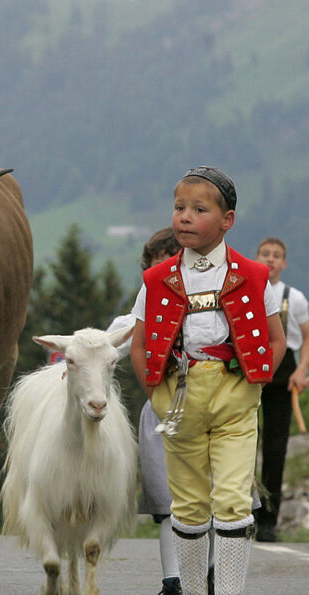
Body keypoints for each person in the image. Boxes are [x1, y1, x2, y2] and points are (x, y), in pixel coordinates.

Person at [129, 166, 286, 595]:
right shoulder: (156, 281)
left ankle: (229, 591)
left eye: (199, 209)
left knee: (233, 500)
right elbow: (140, 345)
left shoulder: (253, 277)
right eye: (179, 207)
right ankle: (196, 590)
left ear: (227, 220)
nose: (184, 217)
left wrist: (252, 384)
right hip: (178, 399)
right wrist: (156, 395)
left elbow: (276, 339)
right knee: (189, 505)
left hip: (235, 396)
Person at [109, 227, 182, 594]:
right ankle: (173, 581)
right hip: (160, 414)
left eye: (173, 262)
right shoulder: (133, 322)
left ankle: (213, 574)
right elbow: (105, 349)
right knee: (168, 503)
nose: (166, 272)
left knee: (217, 500)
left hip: (213, 409)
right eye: (157, 265)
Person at [253, 237, 309, 542]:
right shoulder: (247, 290)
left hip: (283, 375)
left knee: (275, 450)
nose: (271, 259)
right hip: (251, 373)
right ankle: (243, 514)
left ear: (284, 263)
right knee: (244, 445)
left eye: (277, 256)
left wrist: (302, 370)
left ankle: (268, 520)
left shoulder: (295, 298)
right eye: (266, 254)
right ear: (257, 257)